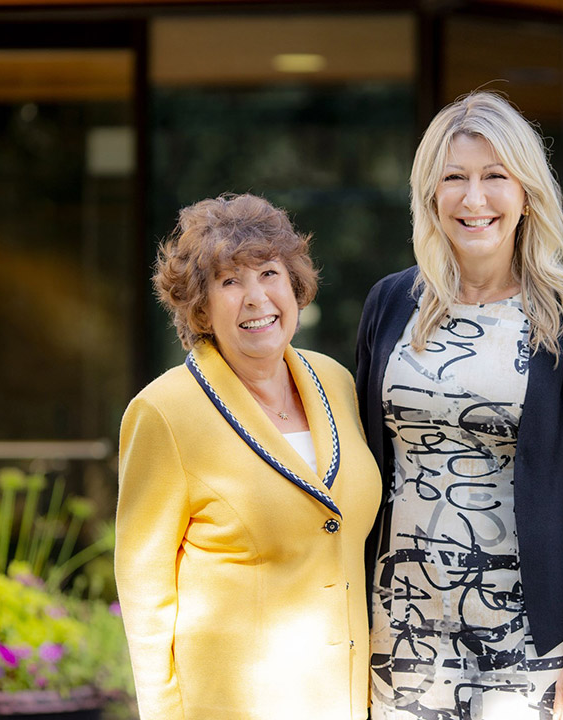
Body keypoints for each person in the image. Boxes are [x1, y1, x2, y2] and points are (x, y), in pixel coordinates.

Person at [356, 92, 563, 720]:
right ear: (431, 195)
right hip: (399, 624)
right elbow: (364, 464)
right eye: (455, 178)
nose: (474, 200)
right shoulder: (391, 304)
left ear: (526, 192)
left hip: (527, 638)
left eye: (494, 177)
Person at [115, 193, 381, 720]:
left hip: (347, 700)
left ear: (296, 285)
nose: (256, 298)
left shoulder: (336, 381)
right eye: (230, 282)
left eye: (269, 273)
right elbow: (145, 592)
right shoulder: (164, 412)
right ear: (200, 306)